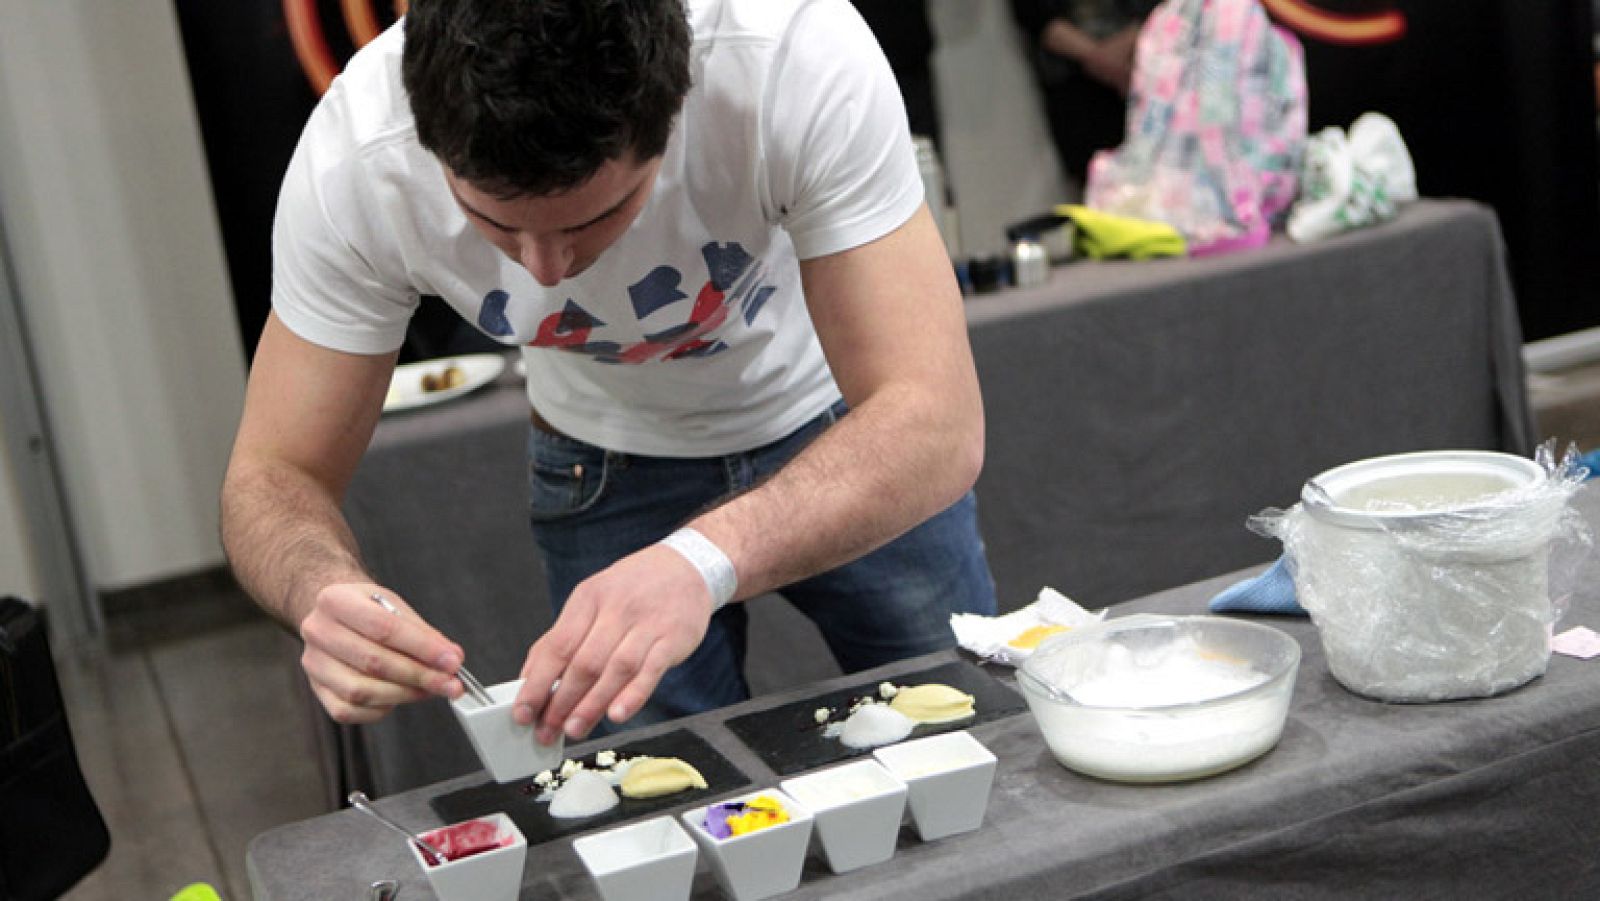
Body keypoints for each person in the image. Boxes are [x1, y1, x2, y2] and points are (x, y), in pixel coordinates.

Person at [220, 0, 996, 749]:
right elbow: (272, 471)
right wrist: (319, 587)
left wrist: (699, 557)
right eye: (493, 223)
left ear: (673, 111)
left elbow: (934, 421)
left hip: (840, 431)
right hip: (603, 465)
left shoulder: (789, 52)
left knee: (964, 733)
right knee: (671, 817)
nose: (546, 270)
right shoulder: (357, 157)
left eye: (593, 218)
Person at [1010, 0, 1160, 184]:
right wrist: (1100, 58)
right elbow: (1036, 15)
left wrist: (1137, 35)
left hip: (1152, 67)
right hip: (1076, 91)